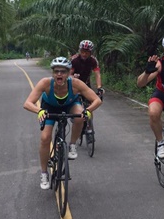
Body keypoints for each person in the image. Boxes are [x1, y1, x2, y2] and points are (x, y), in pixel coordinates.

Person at [23, 56, 102, 189]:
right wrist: (39, 111)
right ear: (52, 73)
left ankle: (72, 145)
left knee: (80, 116)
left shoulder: (76, 83)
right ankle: (44, 173)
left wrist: (88, 111)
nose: (59, 74)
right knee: (45, 138)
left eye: (63, 71)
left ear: (68, 73)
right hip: (49, 108)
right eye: (56, 71)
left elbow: (97, 100)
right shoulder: (45, 83)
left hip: (70, 105)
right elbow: (27, 103)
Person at [70, 40, 104, 133]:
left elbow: (97, 74)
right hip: (74, 85)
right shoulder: (74, 60)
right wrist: (73, 76)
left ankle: (89, 124)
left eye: (87, 52)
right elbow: (67, 75)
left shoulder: (93, 60)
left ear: (90, 52)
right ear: (79, 51)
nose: (84, 54)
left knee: (90, 104)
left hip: (86, 84)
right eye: (82, 52)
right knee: (73, 104)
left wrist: (99, 87)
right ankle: (74, 115)